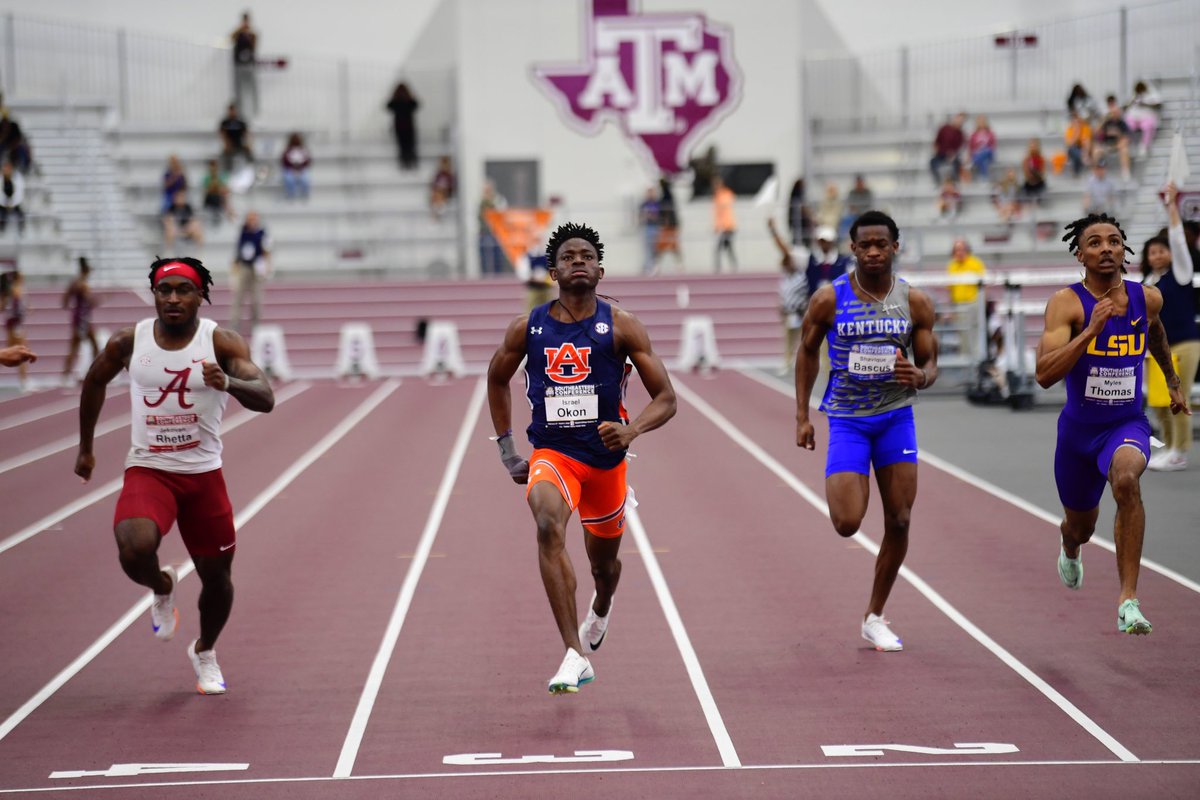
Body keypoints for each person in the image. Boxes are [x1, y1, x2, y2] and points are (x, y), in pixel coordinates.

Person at [486, 222, 677, 694]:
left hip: (606, 462)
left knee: (603, 567)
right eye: (568, 256)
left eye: (586, 256)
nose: (577, 261)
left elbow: (667, 398)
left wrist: (631, 429)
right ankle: (574, 654)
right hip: (554, 454)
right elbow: (495, 379)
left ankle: (603, 605)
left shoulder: (622, 324)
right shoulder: (527, 327)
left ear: (600, 269)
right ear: (552, 271)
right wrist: (509, 450)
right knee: (548, 523)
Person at [75, 257, 275, 693]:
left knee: (218, 580)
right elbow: (93, 382)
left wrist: (228, 384)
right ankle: (162, 585)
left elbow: (265, 397)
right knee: (133, 548)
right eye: (164, 290)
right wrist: (86, 449)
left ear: (201, 295)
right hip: (150, 469)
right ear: (154, 296)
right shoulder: (130, 341)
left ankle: (205, 651)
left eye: (183, 290)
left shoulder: (220, 342)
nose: (173, 299)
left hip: (203, 476)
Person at [1035, 213, 1190, 635]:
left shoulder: (1147, 298)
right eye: (1096, 243)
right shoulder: (1066, 303)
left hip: (1126, 424)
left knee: (1126, 480)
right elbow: (1044, 374)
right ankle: (1069, 545)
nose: (1107, 248)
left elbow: (1154, 333)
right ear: (1080, 253)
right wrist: (1090, 332)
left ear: (1125, 250)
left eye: (1115, 241)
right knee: (1082, 527)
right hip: (1077, 435)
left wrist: (1173, 381)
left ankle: (1128, 600)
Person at [794, 210, 939, 652]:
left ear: (896, 247)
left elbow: (931, 363)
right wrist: (801, 414)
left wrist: (922, 376)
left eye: (882, 244)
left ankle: (874, 614)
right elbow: (806, 352)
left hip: (896, 417)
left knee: (899, 518)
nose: (874, 252)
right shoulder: (829, 299)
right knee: (847, 522)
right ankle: (854, 477)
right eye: (865, 245)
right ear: (852, 249)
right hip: (849, 420)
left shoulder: (914, 301)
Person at [1141, 183, 1197, 471]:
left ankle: (1179, 451)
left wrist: (1171, 205)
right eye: (1152, 252)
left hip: (1185, 344)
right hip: (1158, 352)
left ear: (1173, 254)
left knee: (1179, 398)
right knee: (1159, 402)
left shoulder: (1182, 272)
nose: (1158, 255)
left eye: (1162, 250)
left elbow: (1177, 239)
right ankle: (1167, 446)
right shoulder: (1147, 284)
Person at [767, 217, 809, 374]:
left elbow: (784, 251)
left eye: (787, 261)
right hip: (788, 312)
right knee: (788, 340)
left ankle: (803, 364)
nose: (785, 264)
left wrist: (773, 231)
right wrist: (781, 307)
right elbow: (783, 295)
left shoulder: (801, 273)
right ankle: (787, 361)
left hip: (800, 312)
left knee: (804, 340)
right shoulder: (785, 277)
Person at [228, 211, 271, 334]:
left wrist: (267, 266)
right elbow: (237, 251)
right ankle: (234, 324)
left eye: (254, 219)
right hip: (244, 266)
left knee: (256, 298)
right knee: (238, 297)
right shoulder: (243, 232)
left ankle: (256, 324)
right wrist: (234, 271)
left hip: (256, 267)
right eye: (250, 219)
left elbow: (266, 250)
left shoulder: (262, 233)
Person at [61, 257, 100, 384]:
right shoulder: (83, 284)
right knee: (91, 346)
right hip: (83, 319)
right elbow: (90, 301)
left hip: (78, 317)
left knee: (76, 347)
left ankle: (67, 375)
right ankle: (93, 373)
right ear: (86, 271)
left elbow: (65, 301)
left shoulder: (74, 282)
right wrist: (97, 301)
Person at [1, 268, 29, 387]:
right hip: (15, 325)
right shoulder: (16, 290)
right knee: (22, 352)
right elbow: (15, 308)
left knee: (7, 354)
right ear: (18, 278)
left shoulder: (12, 290)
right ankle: (24, 381)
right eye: (22, 276)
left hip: (13, 324)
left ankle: (23, 380)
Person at [1124, 80, 1162, 158]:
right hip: (1134, 118)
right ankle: (1131, 145)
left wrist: (1145, 104)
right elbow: (1125, 107)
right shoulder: (1134, 96)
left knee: (1147, 126)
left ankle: (1144, 146)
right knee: (1128, 126)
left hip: (1146, 117)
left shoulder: (1151, 95)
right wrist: (1131, 102)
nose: (1140, 91)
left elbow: (1159, 105)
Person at [231, 12, 258, 118]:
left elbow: (254, 46)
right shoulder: (238, 33)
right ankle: (240, 113)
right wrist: (240, 29)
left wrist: (249, 35)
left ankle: (254, 113)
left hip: (249, 65)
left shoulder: (252, 34)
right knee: (239, 91)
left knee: (252, 90)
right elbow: (231, 37)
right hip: (239, 65)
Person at [386, 83, 419, 170]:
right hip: (408, 126)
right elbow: (415, 105)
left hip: (400, 126)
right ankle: (410, 163)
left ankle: (405, 163)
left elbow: (389, 106)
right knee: (409, 145)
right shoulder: (408, 100)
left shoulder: (397, 101)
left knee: (402, 146)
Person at [930, 112, 967, 187]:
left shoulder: (960, 134)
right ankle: (938, 182)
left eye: (962, 121)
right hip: (940, 154)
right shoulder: (944, 128)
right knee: (932, 162)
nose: (959, 122)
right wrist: (935, 150)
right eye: (959, 119)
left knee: (957, 163)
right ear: (955, 118)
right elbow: (936, 141)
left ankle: (955, 183)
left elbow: (959, 148)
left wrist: (953, 155)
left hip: (952, 156)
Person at [946, 238, 986, 306]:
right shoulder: (951, 266)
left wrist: (983, 304)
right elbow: (950, 289)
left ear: (967, 250)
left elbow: (984, 285)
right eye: (957, 250)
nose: (959, 252)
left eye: (962, 250)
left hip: (974, 303)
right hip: (957, 304)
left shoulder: (976, 263)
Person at [218, 104, 254, 174]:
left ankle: (249, 168)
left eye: (234, 110)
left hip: (239, 144)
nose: (232, 112)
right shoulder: (225, 122)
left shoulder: (240, 122)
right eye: (231, 111)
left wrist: (248, 144)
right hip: (230, 145)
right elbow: (222, 134)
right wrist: (226, 144)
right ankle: (227, 171)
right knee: (225, 155)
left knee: (249, 153)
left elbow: (247, 134)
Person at [711, 175, 737, 272]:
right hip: (723, 227)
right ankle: (732, 267)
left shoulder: (725, 194)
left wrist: (720, 226)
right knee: (728, 248)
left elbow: (724, 211)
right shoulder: (717, 196)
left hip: (727, 227)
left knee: (721, 248)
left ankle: (720, 269)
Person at [201, 159, 234, 225]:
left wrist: (217, 188)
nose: (213, 168)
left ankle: (228, 212)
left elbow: (225, 189)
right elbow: (207, 190)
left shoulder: (221, 176)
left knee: (223, 195)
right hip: (211, 198)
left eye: (214, 166)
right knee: (219, 195)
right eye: (212, 166)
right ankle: (228, 212)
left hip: (219, 197)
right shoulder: (207, 178)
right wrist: (216, 188)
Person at [280, 133, 311, 201]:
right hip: (290, 169)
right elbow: (284, 161)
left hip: (301, 169)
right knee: (289, 179)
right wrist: (293, 166)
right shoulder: (287, 151)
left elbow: (308, 161)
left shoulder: (303, 150)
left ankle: (305, 194)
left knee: (305, 179)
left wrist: (300, 166)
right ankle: (291, 194)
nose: (296, 141)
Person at [637, 186, 661, 275]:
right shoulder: (644, 204)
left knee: (655, 248)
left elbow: (658, 216)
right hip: (647, 228)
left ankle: (655, 267)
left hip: (655, 227)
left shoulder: (657, 203)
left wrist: (651, 216)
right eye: (649, 192)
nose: (650, 194)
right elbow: (640, 217)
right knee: (647, 248)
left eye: (652, 192)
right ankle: (647, 267)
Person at [841, 175, 873, 240]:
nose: (859, 184)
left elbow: (869, 205)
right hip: (854, 215)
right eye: (857, 183)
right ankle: (845, 239)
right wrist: (856, 210)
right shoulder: (852, 193)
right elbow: (850, 205)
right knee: (846, 219)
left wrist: (859, 210)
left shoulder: (868, 192)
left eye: (860, 182)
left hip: (865, 214)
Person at [1064, 110, 1093, 177]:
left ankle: (1076, 172)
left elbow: (1086, 142)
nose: (1075, 120)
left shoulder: (1085, 127)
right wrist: (1076, 132)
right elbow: (1070, 144)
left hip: (1084, 150)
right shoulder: (1069, 129)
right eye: (1073, 119)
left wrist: (1085, 153)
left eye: (1076, 118)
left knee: (1076, 156)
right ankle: (1083, 158)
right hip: (1072, 150)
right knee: (1073, 149)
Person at [0, 160, 25, 235]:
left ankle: (21, 232)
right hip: (3, 204)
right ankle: (2, 230)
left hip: (14, 203)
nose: (6, 171)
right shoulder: (1, 179)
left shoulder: (17, 178)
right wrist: (6, 203)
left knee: (21, 215)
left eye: (8, 169)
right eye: (5, 169)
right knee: (2, 214)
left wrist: (12, 203)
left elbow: (19, 193)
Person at [968, 115, 996, 180]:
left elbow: (993, 146)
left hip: (988, 153)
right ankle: (984, 178)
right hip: (978, 153)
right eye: (979, 121)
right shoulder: (974, 134)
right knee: (984, 161)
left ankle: (975, 161)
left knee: (985, 149)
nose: (981, 123)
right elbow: (971, 147)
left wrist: (983, 148)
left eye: (983, 121)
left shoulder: (990, 133)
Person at [1021, 138, 1047, 205]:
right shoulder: (1026, 159)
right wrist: (1031, 174)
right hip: (1030, 182)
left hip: (1038, 180)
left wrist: (1036, 173)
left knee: (1043, 186)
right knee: (1024, 188)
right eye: (1031, 145)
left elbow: (1042, 173)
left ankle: (1038, 200)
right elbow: (1026, 173)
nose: (1033, 147)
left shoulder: (1041, 158)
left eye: (1034, 145)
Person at [788, 177, 813, 247]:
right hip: (800, 223)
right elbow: (802, 207)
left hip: (800, 223)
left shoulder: (797, 195)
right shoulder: (796, 195)